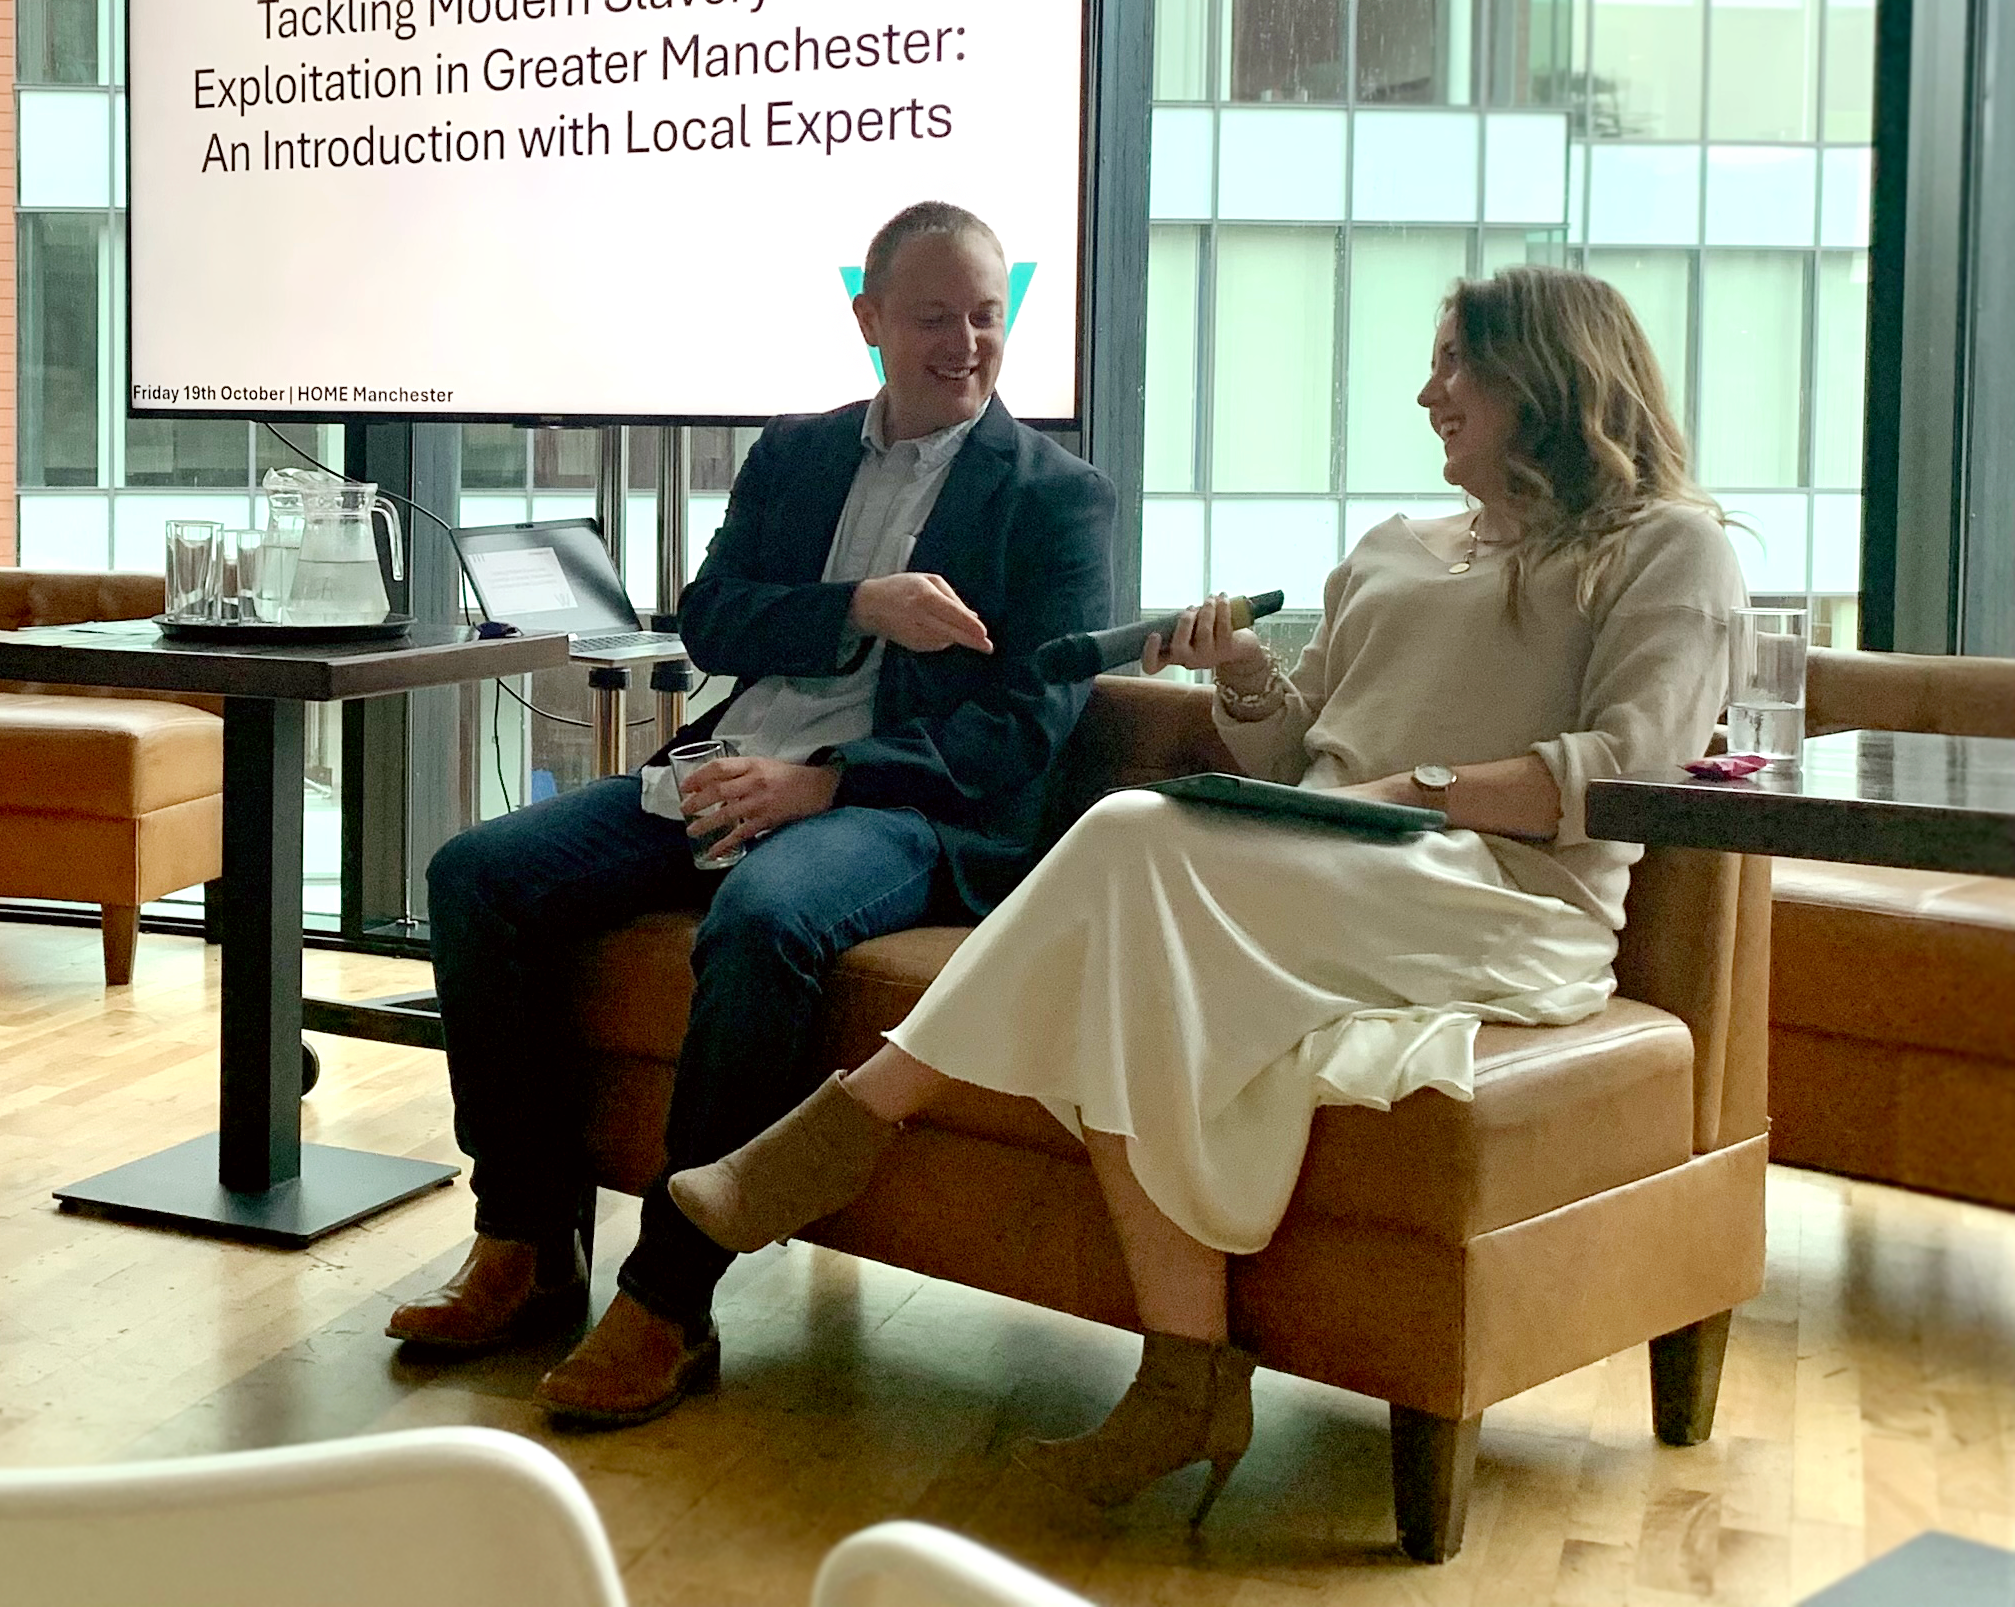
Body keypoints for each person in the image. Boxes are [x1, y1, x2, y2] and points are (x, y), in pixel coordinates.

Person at [665, 264, 1746, 1520]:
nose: (1427, 391)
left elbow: (1629, 768)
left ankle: (855, 1121)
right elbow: (1297, 756)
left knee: (1130, 837)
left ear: (1542, 375)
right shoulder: (1396, 546)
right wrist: (1239, 673)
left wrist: (1423, 788)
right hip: (1338, 857)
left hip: (1501, 893)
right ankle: (1187, 1377)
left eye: (1454, 364)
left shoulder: (1669, 548)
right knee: (1134, 930)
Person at [389, 200, 1117, 1428]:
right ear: (871, 319)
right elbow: (712, 614)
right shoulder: (797, 451)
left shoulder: (1056, 496)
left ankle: (670, 1298)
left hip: (905, 806)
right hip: (733, 761)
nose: (967, 342)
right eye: (935, 315)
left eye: (988, 315)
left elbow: (1021, 734)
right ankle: (523, 1236)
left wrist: (827, 783)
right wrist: (858, 606)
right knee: (475, 873)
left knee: (765, 919)